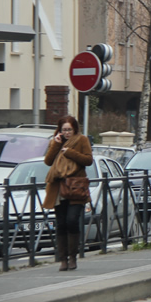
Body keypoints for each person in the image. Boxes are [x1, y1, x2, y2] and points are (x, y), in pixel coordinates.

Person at [42, 116, 93, 271]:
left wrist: (70, 152)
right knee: (61, 223)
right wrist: (56, 145)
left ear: (74, 129)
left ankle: (73, 257)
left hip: (75, 187)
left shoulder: (81, 140)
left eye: (69, 129)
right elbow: (48, 161)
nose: (67, 132)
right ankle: (63, 259)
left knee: (72, 220)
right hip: (58, 187)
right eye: (64, 129)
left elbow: (88, 160)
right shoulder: (56, 142)